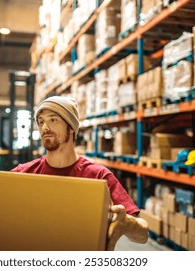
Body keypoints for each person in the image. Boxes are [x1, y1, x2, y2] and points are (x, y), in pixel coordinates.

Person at [11, 96, 149, 250]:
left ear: (71, 127)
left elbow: (143, 235)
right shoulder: (24, 173)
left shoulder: (98, 176)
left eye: (53, 120)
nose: (45, 128)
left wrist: (127, 224)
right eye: (41, 122)